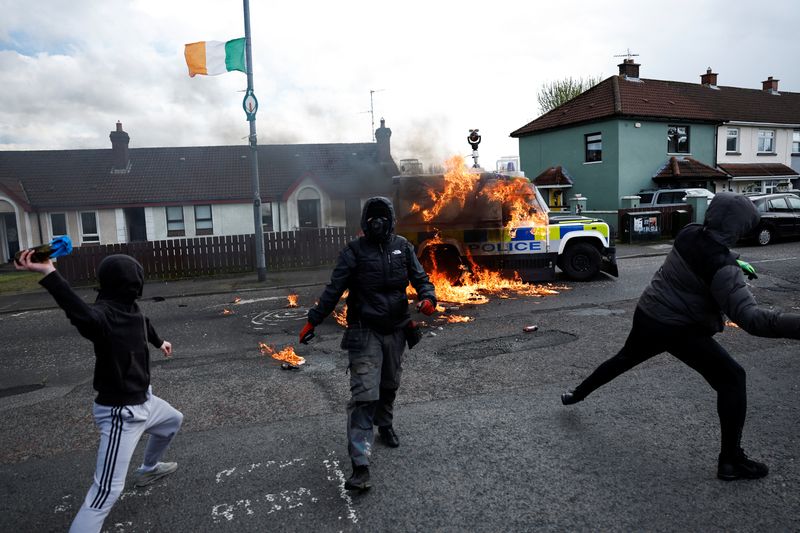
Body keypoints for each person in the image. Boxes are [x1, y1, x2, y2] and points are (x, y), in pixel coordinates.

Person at [561, 192, 800, 481]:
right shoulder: (722, 268)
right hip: (679, 328)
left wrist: (734, 261)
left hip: (649, 313)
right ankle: (731, 461)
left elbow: (709, 251)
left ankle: (576, 394)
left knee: (624, 359)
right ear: (740, 227)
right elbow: (752, 319)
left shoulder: (689, 233)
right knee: (732, 379)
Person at [15, 251, 183, 532]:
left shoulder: (130, 307)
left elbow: (144, 323)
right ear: (131, 284)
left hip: (145, 400)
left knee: (173, 421)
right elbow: (80, 313)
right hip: (122, 415)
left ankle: (148, 470)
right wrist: (50, 273)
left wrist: (159, 341)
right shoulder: (102, 317)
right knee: (104, 495)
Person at [299, 196, 437, 491]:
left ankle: (385, 425)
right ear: (365, 222)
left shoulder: (403, 247)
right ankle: (360, 465)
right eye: (372, 218)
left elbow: (422, 278)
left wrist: (428, 297)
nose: (378, 223)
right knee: (364, 396)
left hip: (397, 328)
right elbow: (333, 289)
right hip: (365, 331)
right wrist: (313, 319)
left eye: (382, 217)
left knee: (389, 385)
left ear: (389, 220)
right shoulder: (353, 252)